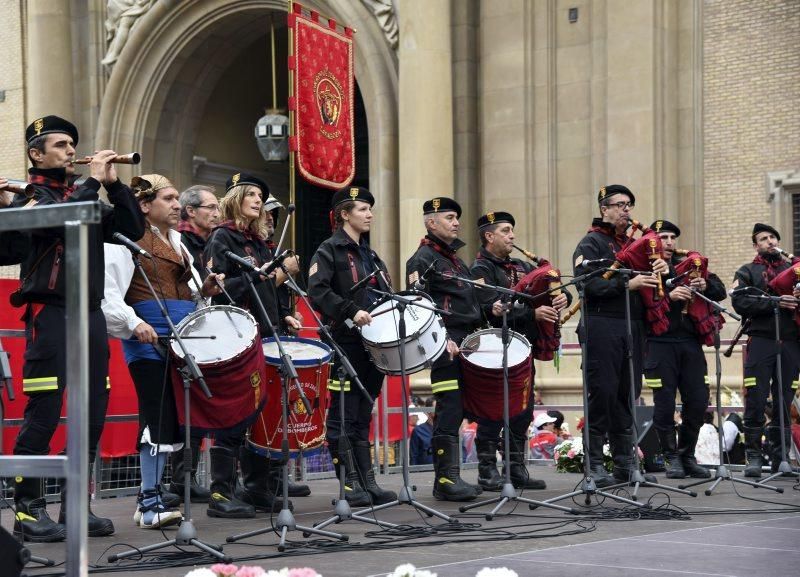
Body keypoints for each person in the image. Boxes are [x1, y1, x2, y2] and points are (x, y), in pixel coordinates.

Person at [10, 115, 145, 541]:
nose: (72, 151)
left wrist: (115, 185)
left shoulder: (80, 195)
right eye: (62, 145)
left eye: (74, 145)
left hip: (89, 314)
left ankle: (75, 508)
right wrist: (90, 182)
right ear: (37, 153)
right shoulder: (31, 196)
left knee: (91, 414)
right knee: (44, 413)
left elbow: (132, 227)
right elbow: (60, 220)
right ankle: (29, 512)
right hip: (50, 315)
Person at [102, 174, 224, 527]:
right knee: (154, 417)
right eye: (168, 199)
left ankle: (148, 501)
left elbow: (192, 293)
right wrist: (131, 323)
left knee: (169, 418)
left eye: (176, 198)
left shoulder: (179, 242)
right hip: (149, 338)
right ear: (144, 205)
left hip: (182, 339)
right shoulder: (123, 239)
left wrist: (208, 291)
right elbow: (109, 294)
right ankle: (149, 501)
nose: (176, 205)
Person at [204, 173, 301, 515]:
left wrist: (283, 313)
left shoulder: (258, 242)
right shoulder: (223, 237)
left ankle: (257, 486)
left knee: (261, 410)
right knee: (237, 411)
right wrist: (273, 275)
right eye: (253, 194)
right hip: (237, 334)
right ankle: (220, 492)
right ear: (237, 197)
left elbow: (266, 289)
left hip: (265, 330)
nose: (259, 200)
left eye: (262, 195)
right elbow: (224, 289)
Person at [572, 185, 668, 487]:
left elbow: (652, 285)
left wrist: (663, 271)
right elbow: (586, 286)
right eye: (620, 205)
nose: (626, 210)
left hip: (633, 326)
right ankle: (595, 465)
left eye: (630, 204)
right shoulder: (591, 243)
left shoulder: (636, 245)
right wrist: (627, 285)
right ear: (605, 209)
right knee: (603, 392)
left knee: (627, 393)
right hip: (602, 325)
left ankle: (626, 464)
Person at [307, 186, 397, 507]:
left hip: (371, 346)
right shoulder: (328, 250)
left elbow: (385, 294)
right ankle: (349, 485)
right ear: (344, 214)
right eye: (362, 209)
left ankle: (368, 482)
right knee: (343, 415)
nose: (369, 214)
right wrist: (350, 310)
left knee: (362, 413)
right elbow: (317, 291)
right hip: (343, 342)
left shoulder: (371, 255)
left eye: (370, 209)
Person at [469, 211, 568, 491]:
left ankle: (515, 468)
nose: (513, 236)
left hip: (523, 350)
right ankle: (487, 471)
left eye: (512, 230)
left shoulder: (522, 266)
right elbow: (488, 307)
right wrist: (532, 314)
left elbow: (543, 289)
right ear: (489, 236)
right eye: (506, 231)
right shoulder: (480, 270)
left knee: (523, 410)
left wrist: (561, 296)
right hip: (495, 350)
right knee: (493, 411)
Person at [405, 197, 483, 501]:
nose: (456, 222)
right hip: (445, 345)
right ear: (430, 222)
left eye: (457, 217)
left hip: (467, 343)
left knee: (461, 408)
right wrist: (442, 338)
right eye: (449, 217)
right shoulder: (421, 260)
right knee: (449, 410)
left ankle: (453, 477)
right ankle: (446, 480)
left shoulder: (456, 260)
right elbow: (417, 307)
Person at [644, 219, 725, 479]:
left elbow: (721, 292)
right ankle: (671, 459)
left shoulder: (690, 264)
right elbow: (640, 305)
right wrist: (669, 296)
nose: (668, 242)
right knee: (664, 404)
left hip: (690, 343)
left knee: (698, 401)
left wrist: (705, 285)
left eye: (672, 237)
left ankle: (687, 455)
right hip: (659, 344)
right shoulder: (644, 266)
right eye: (663, 237)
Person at [731, 223, 800, 477]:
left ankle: (781, 458)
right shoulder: (748, 271)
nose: (770, 241)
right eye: (763, 238)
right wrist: (775, 301)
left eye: (773, 237)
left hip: (791, 343)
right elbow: (739, 301)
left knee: (783, 400)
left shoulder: (794, 270)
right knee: (756, 399)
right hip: (761, 342)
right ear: (756, 245)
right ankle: (753, 458)